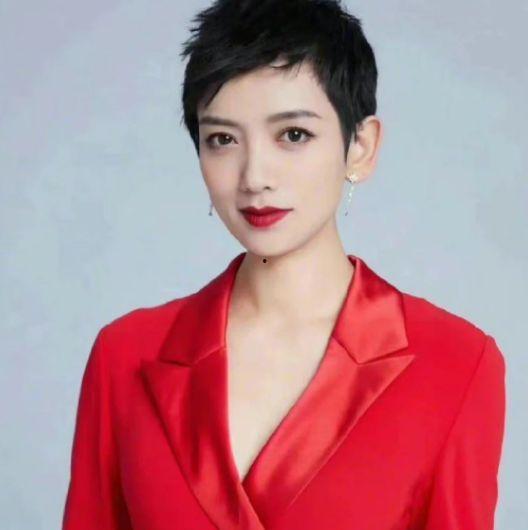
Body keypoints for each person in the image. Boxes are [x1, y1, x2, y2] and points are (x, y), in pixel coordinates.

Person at [62, 0, 506, 529]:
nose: (255, 176)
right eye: (222, 139)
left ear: (360, 147)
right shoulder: (126, 356)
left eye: (293, 135)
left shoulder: (455, 363)